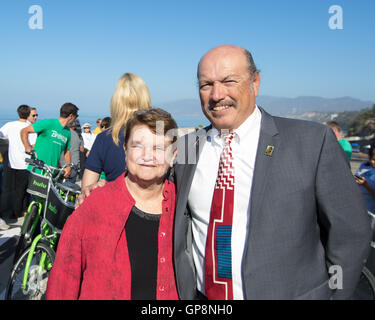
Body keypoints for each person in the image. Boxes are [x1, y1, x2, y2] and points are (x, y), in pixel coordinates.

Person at [173, 44, 372, 300]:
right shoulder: (187, 148)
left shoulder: (311, 142)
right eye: (206, 84)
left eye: (228, 81)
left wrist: (335, 295)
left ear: (255, 82)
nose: (216, 94)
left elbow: (350, 233)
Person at [46, 108, 179, 300]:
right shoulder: (95, 206)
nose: (147, 156)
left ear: (173, 156)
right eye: (137, 146)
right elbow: (63, 281)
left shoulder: (184, 207)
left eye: (158, 148)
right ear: (125, 150)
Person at [81, 73, 151, 195]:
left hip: (117, 209)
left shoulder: (104, 138)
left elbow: (86, 189)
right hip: (156, 210)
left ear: (116, 101)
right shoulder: (160, 134)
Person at [21, 102, 79, 178]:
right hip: (37, 169)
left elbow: (67, 151)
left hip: (51, 172)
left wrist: (68, 167)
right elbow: (24, 131)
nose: (76, 118)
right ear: (71, 116)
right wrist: (27, 147)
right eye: (76, 116)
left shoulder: (67, 131)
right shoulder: (48, 123)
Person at [0, 105, 33, 227]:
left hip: (12, 162)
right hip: (25, 163)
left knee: (14, 189)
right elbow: (33, 144)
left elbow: (2, 135)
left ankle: (14, 212)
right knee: (23, 190)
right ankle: (19, 212)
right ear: (29, 113)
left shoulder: (9, 125)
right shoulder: (29, 127)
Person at [60, 120, 84, 184]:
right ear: (74, 127)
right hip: (75, 163)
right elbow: (82, 149)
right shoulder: (79, 136)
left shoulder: (63, 133)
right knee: (70, 187)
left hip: (63, 164)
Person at [354, 145, 375, 213]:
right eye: (371, 158)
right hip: (357, 206)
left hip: (370, 211)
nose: (372, 162)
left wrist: (365, 185)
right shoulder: (365, 164)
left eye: (374, 160)